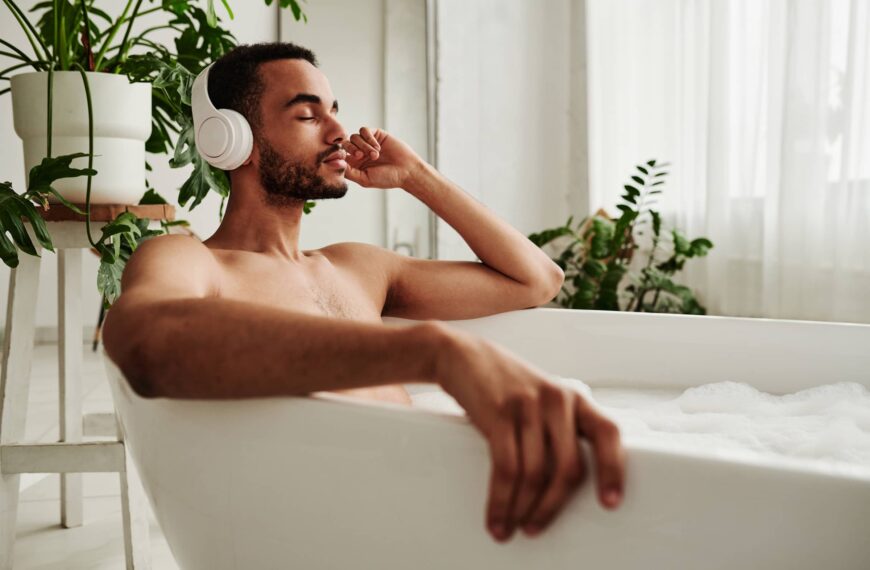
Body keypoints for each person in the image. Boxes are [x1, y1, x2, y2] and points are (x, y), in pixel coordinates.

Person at [102, 42, 624, 545]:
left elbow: (537, 280)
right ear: (233, 141)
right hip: (326, 532)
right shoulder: (189, 260)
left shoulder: (359, 267)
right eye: (308, 116)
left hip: (427, 511)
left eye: (335, 111)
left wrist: (417, 176)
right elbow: (145, 341)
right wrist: (438, 354)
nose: (338, 132)